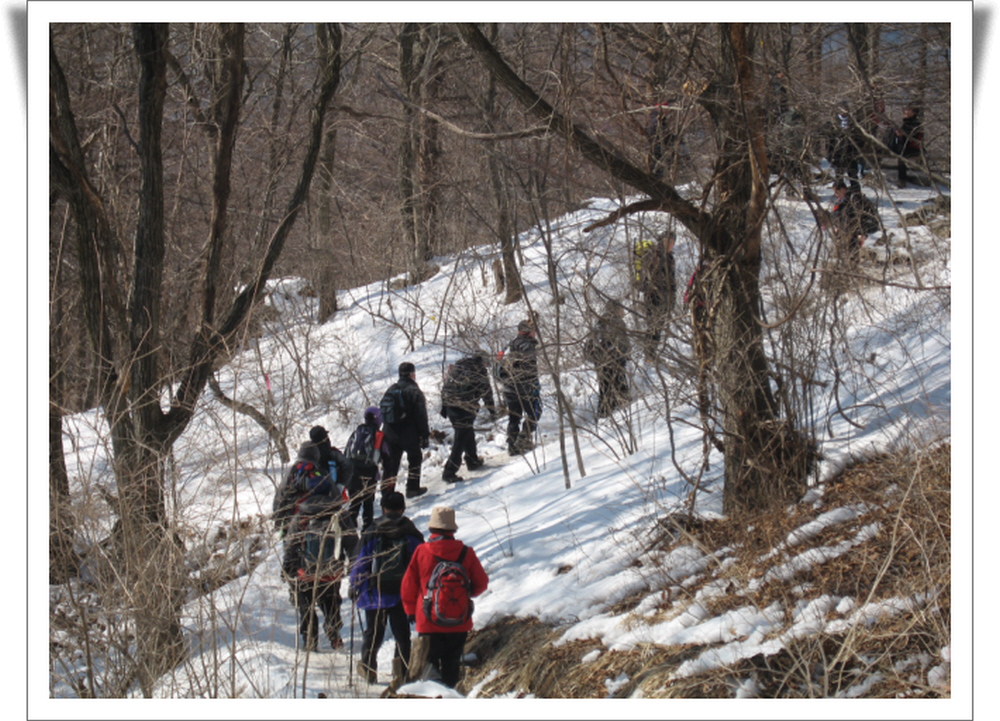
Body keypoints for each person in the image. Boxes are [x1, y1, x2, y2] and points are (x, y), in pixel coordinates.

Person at [272, 426, 355, 651]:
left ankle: (310, 640)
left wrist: (288, 569)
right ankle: (334, 633)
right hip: (331, 565)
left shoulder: (294, 488)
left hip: (303, 563)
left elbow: (288, 538)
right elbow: (350, 538)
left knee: (306, 605)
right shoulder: (330, 491)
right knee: (331, 600)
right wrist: (355, 564)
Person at [400, 506, 489, 689]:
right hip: (459, 621)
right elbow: (481, 583)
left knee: (429, 666)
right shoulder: (467, 552)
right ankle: (450, 696)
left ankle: (434, 696)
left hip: (428, 620)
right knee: (452, 665)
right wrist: (463, 595)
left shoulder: (422, 551)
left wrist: (410, 611)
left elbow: (408, 585)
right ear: (452, 529)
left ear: (432, 528)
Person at [349, 491, 424, 686]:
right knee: (402, 635)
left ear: (383, 508)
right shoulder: (411, 533)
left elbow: (361, 563)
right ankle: (401, 673)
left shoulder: (371, 531)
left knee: (373, 634)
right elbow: (420, 565)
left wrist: (354, 585)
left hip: (375, 593)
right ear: (403, 509)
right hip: (402, 594)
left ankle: (368, 669)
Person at [440, 350, 498, 483]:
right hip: (463, 406)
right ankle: (449, 472)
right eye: (486, 364)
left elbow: (447, 385)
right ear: (483, 361)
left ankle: (472, 460)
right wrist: (492, 411)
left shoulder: (459, 365)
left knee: (467, 431)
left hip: (449, 405)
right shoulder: (478, 370)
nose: (486, 367)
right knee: (461, 438)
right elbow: (487, 392)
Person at [380, 362, 431, 499]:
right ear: (412, 374)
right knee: (415, 458)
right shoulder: (413, 390)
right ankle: (412, 489)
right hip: (408, 433)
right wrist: (424, 435)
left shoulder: (391, 389)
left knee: (391, 465)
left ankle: (387, 494)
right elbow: (421, 415)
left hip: (389, 433)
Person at [343, 406, 391, 532]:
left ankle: (349, 530)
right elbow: (386, 456)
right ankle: (367, 529)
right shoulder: (379, 436)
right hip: (370, 474)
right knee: (368, 502)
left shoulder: (356, 432)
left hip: (353, 473)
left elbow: (346, 453)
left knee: (354, 502)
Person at [498, 319, 541, 456]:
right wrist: (534, 384)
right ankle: (523, 440)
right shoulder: (527, 346)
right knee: (535, 412)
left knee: (514, 416)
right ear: (528, 331)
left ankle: (512, 445)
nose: (536, 333)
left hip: (509, 387)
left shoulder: (510, 345)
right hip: (524, 386)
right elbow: (530, 368)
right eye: (534, 330)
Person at [584, 301, 632, 418]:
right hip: (615, 360)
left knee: (605, 389)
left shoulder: (599, 323)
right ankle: (620, 414)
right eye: (621, 309)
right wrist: (625, 355)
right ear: (616, 310)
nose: (623, 312)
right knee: (619, 386)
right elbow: (623, 343)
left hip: (600, 361)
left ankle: (603, 415)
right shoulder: (617, 323)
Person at [634, 230, 676, 359]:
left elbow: (672, 280)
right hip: (653, 295)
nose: (670, 244)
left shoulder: (670, 258)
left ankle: (651, 354)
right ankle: (649, 355)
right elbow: (650, 274)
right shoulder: (655, 255)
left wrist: (672, 299)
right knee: (653, 324)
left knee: (658, 326)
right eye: (668, 241)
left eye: (673, 242)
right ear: (661, 241)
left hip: (665, 297)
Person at [829, 178, 881, 262]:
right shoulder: (843, 201)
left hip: (868, 223)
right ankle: (848, 257)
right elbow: (839, 215)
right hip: (855, 225)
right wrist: (839, 227)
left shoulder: (854, 198)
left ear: (842, 189)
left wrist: (861, 232)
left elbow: (860, 215)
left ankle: (853, 260)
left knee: (851, 233)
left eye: (837, 192)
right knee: (846, 232)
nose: (836, 195)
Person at [825, 101, 866, 190]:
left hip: (851, 152)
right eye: (841, 109)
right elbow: (829, 139)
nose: (843, 111)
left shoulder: (854, 122)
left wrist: (858, 151)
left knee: (853, 176)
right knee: (839, 176)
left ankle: (856, 194)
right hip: (838, 153)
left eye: (845, 109)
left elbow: (860, 137)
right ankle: (840, 195)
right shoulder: (833, 122)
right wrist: (829, 154)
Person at [892, 105, 924, 189]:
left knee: (901, 157)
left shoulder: (915, 124)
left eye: (909, 111)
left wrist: (902, 134)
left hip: (912, 147)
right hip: (904, 146)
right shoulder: (905, 122)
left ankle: (902, 180)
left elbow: (912, 136)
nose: (907, 112)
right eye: (906, 110)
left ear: (914, 113)